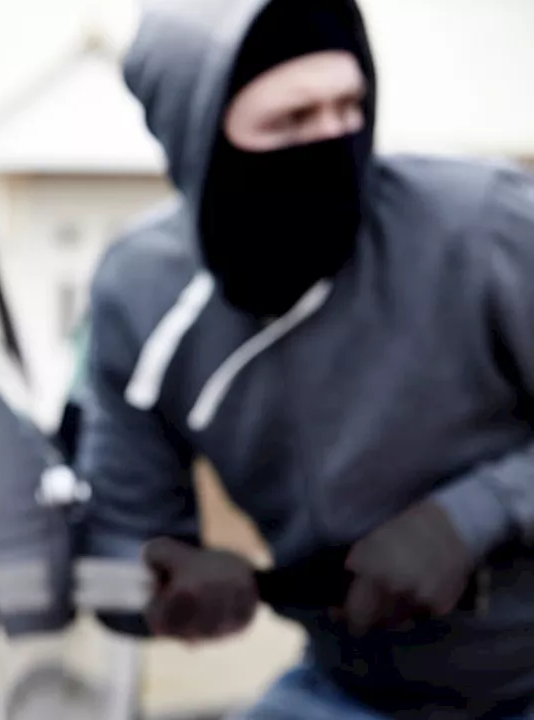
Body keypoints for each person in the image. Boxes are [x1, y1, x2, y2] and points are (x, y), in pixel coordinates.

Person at [75, 0, 534, 717]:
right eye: (292, 120)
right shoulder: (142, 298)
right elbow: (116, 549)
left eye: (350, 105)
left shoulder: (485, 227)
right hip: (347, 690)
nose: (334, 138)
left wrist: (473, 515)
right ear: (199, 136)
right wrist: (161, 589)